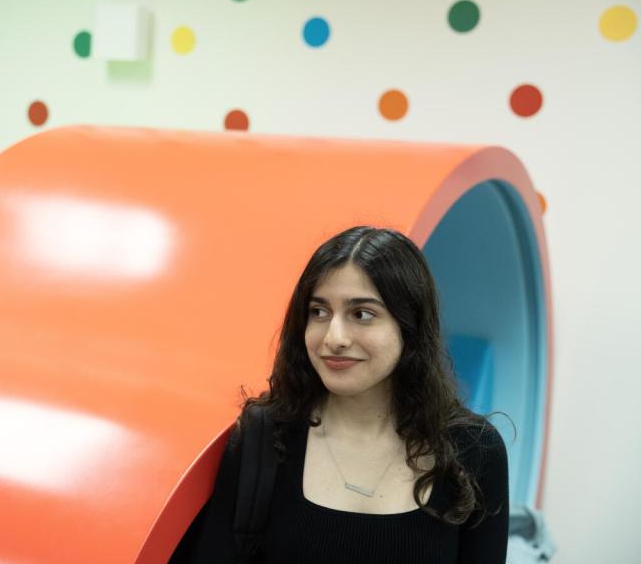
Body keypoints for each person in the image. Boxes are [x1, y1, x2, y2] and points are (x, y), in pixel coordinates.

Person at [172, 225, 509, 563]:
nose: (334, 337)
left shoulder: (474, 451)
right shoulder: (265, 436)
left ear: (410, 327)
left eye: (362, 314)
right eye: (319, 312)